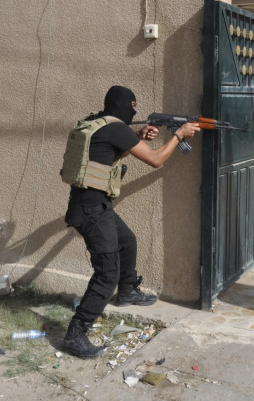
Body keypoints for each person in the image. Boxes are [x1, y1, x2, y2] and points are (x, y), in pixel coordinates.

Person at [60, 85, 200, 359]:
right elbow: (156, 160)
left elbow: (106, 155)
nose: (134, 110)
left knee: (127, 241)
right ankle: (76, 333)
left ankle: (127, 291)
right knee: (106, 273)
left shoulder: (98, 123)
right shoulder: (116, 128)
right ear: (128, 105)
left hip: (92, 204)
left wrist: (136, 136)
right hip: (91, 210)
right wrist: (179, 135)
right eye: (133, 106)